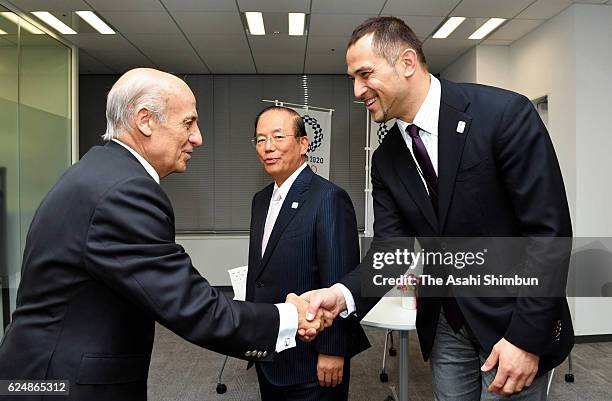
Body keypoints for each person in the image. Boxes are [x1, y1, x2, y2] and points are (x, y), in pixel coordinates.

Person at [0, 68, 326, 401]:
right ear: (145, 120)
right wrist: (290, 317)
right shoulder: (124, 191)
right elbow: (191, 304)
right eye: (188, 123)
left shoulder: (99, 172)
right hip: (60, 383)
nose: (198, 137)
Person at [302, 16, 574, 400]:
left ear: (408, 62)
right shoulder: (387, 158)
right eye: (352, 79)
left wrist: (525, 339)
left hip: (512, 322)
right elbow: (392, 251)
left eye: (364, 74)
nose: (357, 90)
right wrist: (343, 294)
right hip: (447, 327)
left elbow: (549, 234)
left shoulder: (503, 115)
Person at [246, 106, 370, 401]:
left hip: (311, 360)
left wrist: (333, 349)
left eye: (278, 136)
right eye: (260, 140)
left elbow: (339, 278)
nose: (268, 147)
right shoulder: (261, 200)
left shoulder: (328, 198)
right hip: (270, 348)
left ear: (304, 144)